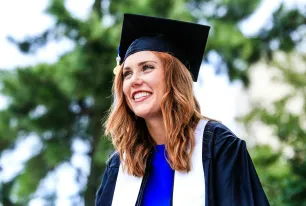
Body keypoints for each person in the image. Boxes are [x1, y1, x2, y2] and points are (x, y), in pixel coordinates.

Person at [96, 13, 269, 206]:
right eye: (127, 73)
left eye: (147, 68)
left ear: (174, 77)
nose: (134, 80)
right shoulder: (120, 165)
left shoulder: (217, 147)